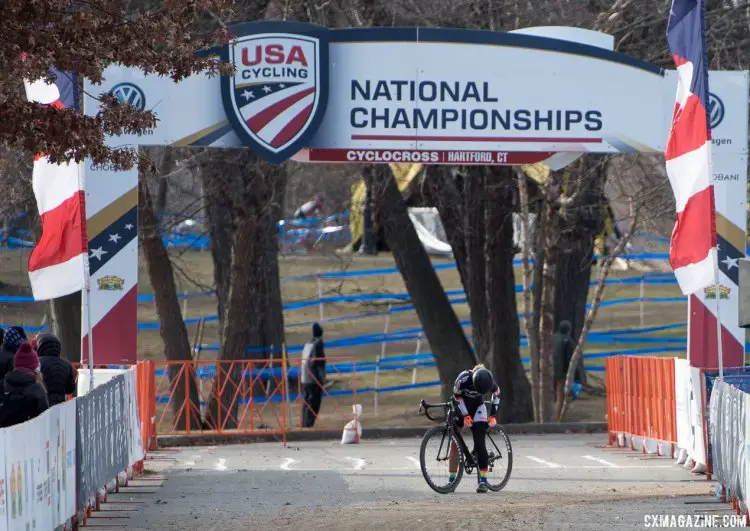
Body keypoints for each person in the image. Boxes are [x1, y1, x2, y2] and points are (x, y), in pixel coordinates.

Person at [449, 364, 501, 493]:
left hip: (478, 408)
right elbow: (457, 396)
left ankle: (483, 481)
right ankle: (451, 481)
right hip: (462, 407)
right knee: (454, 444)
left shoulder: (489, 380)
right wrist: (465, 415)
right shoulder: (463, 379)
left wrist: (493, 415)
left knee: (479, 442)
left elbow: (497, 393)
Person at [0, 342, 49, 427]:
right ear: (34, 367)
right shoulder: (37, 389)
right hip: (31, 435)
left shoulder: (2, 385)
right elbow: (45, 417)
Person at [36, 333, 77, 406]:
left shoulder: (37, 362)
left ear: (41, 346)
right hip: (60, 405)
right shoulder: (66, 364)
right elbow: (70, 389)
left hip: (43, 405)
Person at [300, 323, 326, 428]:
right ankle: (309, 423)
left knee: (306, 400)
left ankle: (304, 422)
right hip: (313, 378)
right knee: (314, 401)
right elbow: (318, 362)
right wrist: (321, 379)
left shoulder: (307, 344)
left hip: (304, 377)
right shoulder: (318, 344)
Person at [554, 320, 575, 420]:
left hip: (549, 371)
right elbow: (570, 358)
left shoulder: (553, 337)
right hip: (561, 373)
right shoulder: (567, 340)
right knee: (560, 397)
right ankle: (558, 418)